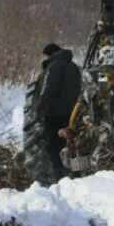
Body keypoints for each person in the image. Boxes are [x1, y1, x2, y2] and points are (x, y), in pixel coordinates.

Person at [38, 42, 81, 180]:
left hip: (54, 114)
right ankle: (74, 172)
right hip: (72, 114)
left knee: (53, 145)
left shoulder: (53, 67)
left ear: (50, 54)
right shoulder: (75, 67)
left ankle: (59, 175)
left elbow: (48, 89)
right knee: (71, 143)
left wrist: (40, 108)